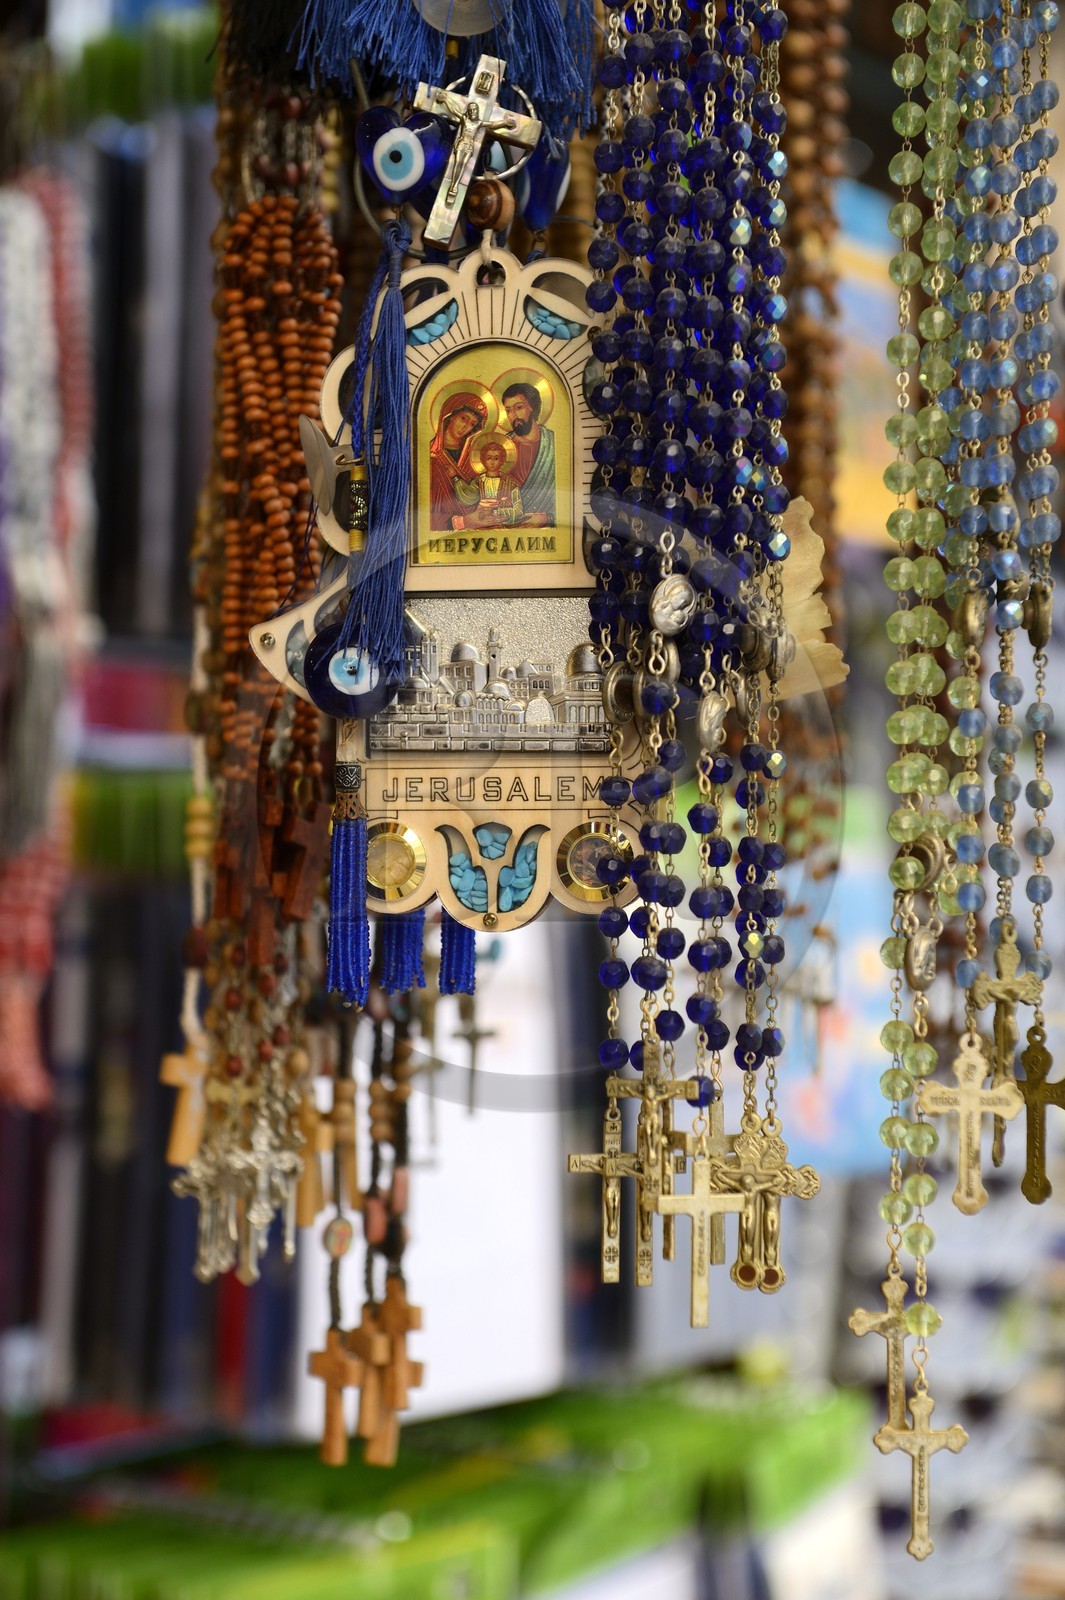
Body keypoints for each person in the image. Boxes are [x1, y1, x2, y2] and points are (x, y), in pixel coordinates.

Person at [427, 392, 488, 530]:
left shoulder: (472, 458)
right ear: (451, 415)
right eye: (463, 418)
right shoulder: (431, 455)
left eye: (472, 424)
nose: (465, 427)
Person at [501, 381, 555, 526]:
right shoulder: (500, 446)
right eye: (508, 410)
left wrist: (548, 518)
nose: (513, 415)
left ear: (532, 407)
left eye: (519, 408)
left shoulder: (552, 443)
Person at [473, 439, 523, 524]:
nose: (492, 462)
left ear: (502, 461)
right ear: (483, 460)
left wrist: (497, 512)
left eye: (496, 458)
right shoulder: (477, 482)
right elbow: (469, 509)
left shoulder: (511, 483)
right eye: (489, 458)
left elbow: (519, 511)